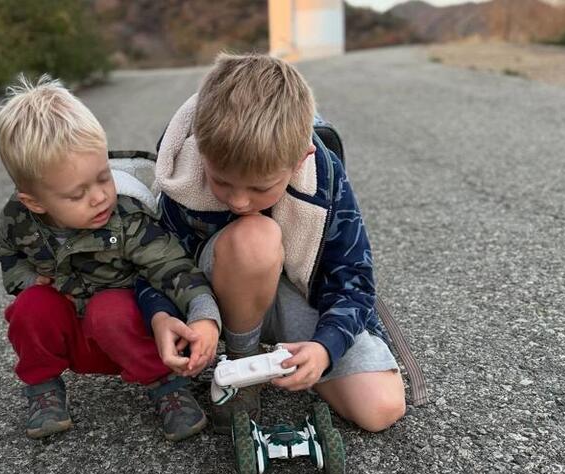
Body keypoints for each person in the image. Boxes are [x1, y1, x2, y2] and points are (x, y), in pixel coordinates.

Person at [144, 53, 406, 433]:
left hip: (293, 295)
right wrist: (162, 315)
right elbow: (153, 263)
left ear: (302, 158)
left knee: (380, 407)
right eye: (222, 182)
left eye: (259, 187)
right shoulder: (184, 176)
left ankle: (293, 362)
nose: (237, 201)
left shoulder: (326, 179)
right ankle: (241, 362)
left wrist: (324, 349)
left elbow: (353, 280)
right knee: (255, 235)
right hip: (212, 294)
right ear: (202, 150)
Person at [0, 75, 220, 441]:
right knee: (30, 306)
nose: (99, 197)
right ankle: (43, 388)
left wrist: (202, 313)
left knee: (110, 308)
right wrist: (25, 279)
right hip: (72, 328)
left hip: (126, 332)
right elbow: (7, 249)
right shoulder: (17, 220)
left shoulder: (126, 217)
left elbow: (172, 265)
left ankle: (166, 385)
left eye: (103, 178)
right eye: (77, 194)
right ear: (34, 202)